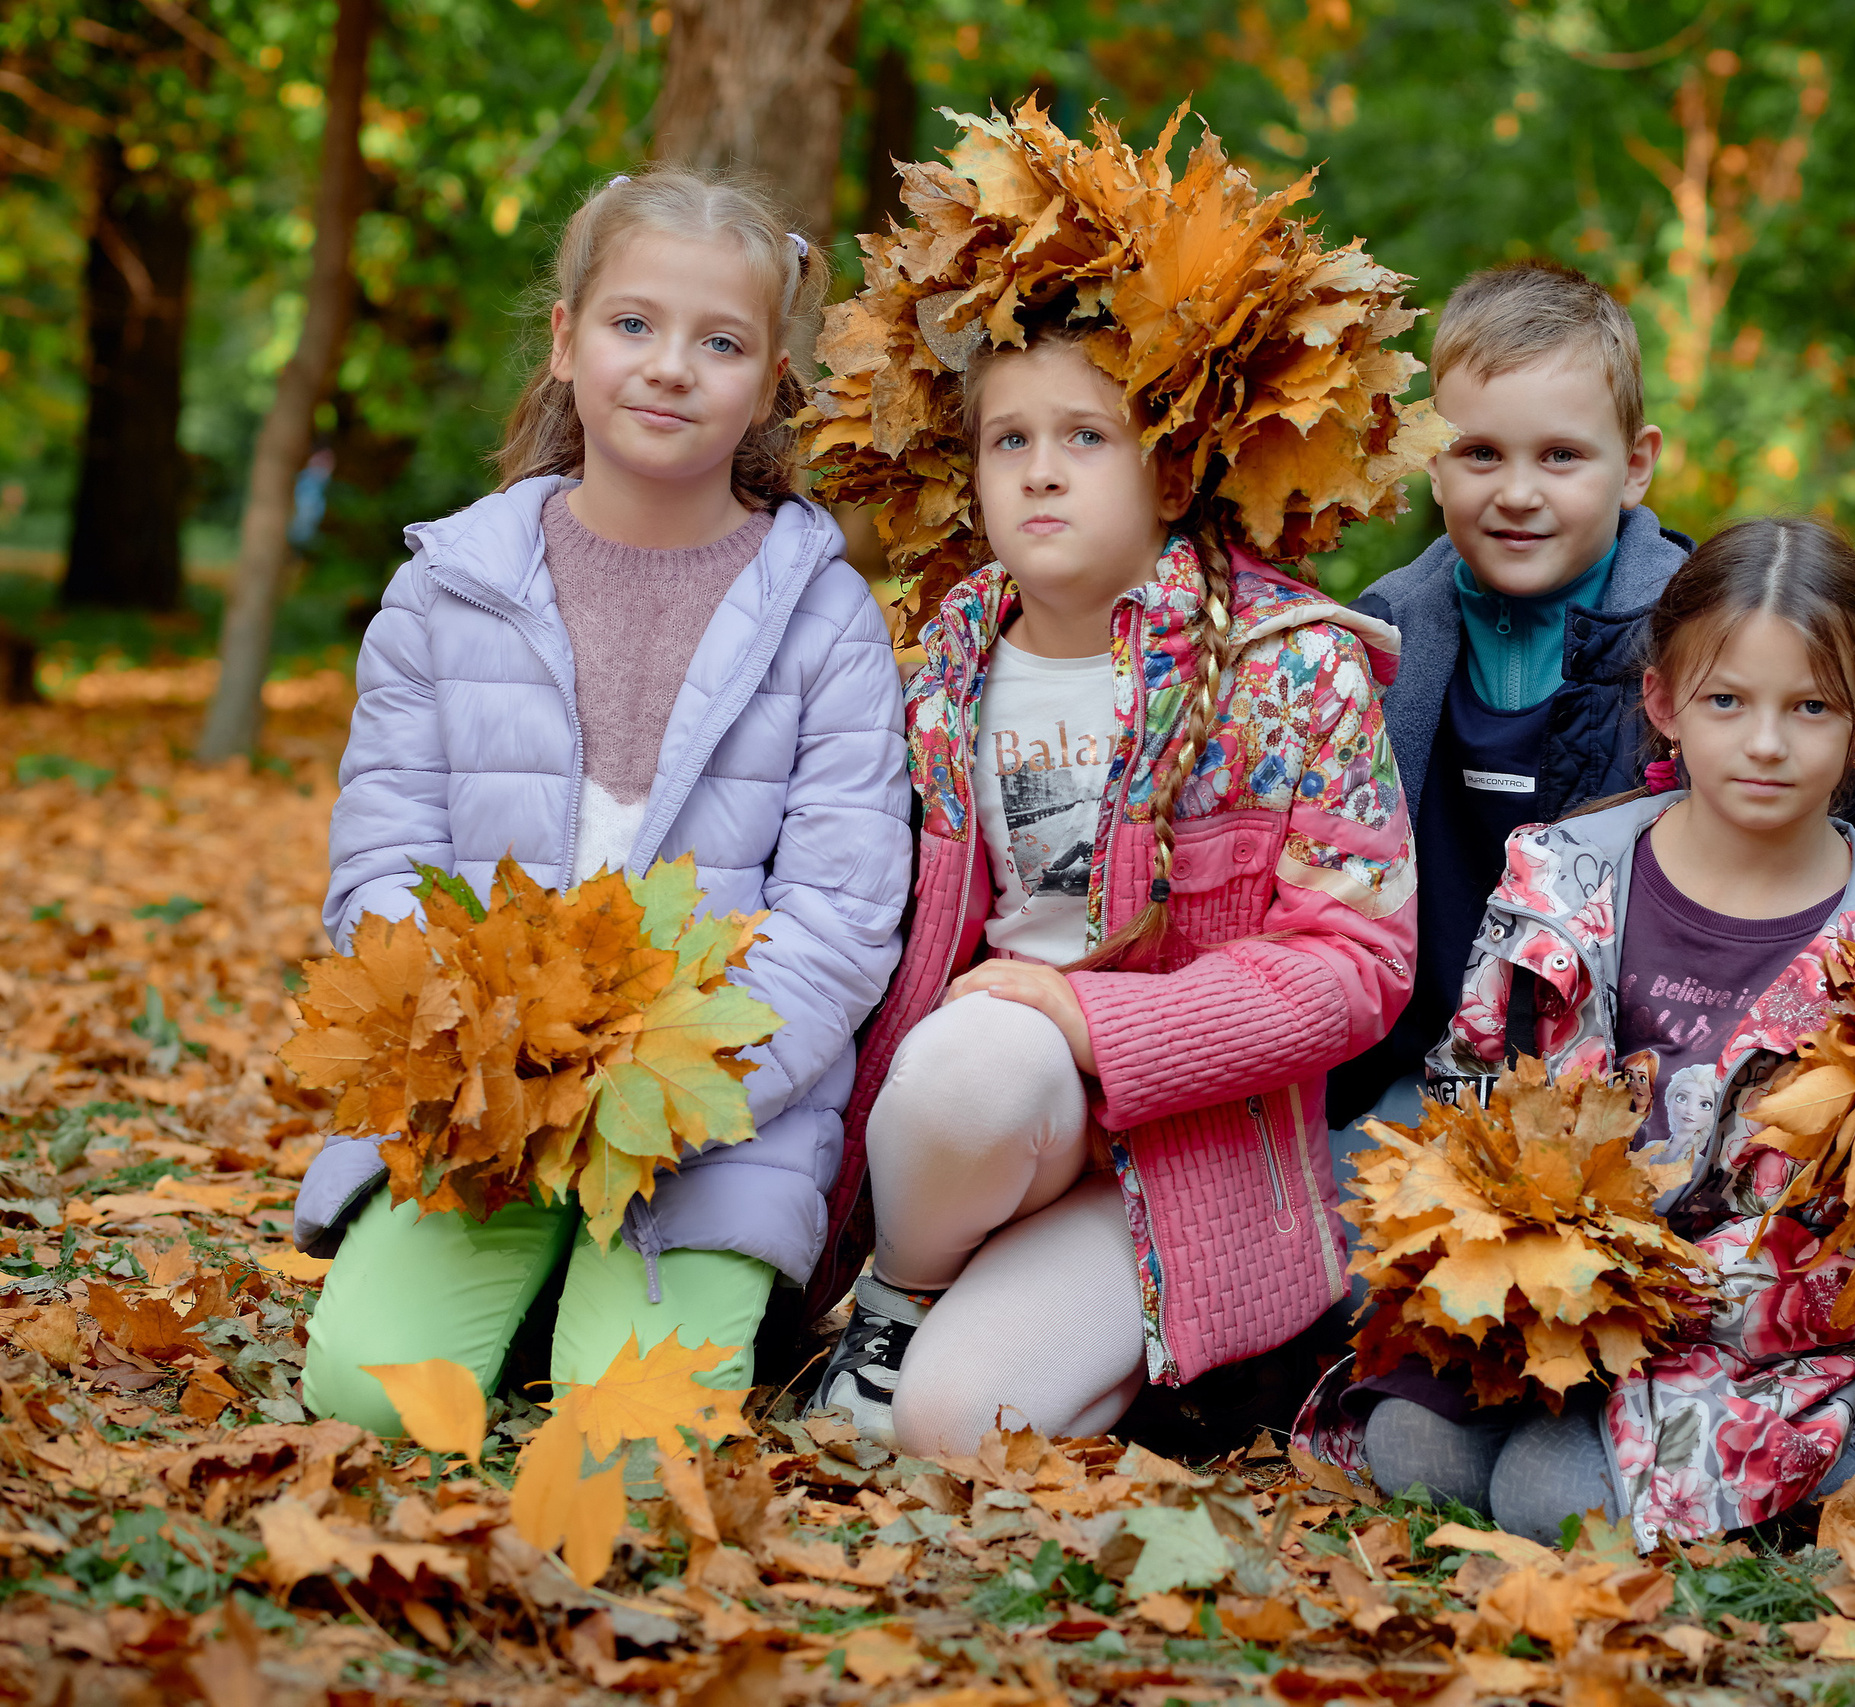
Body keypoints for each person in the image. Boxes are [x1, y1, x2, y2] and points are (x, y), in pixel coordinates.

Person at [796, 104, 1432, 1454]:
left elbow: (1357, 962)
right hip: (974, 1113)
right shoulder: (948, 654)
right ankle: (901, 1294)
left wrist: (1092, 1025)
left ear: (1172, 457)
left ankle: (1134, 1329)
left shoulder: (1287, 663)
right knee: (978, 1054)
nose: (1039, 471)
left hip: (1177, 1146)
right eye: (1007, 439)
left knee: (959, 1431)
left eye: (1085, 436)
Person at [1297, 517, 1855, 1544]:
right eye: (1726, 701)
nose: (1764, 743)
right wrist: (1524, 1269)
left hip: (1748, 1326)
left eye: (1809, 707)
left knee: (1548, 1506)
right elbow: (1472, 1093)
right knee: (1413, 1457)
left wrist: (1654, 1300)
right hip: (1551, 1302)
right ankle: (1746, 1434)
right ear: (1664, 703)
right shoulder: (1559, 877)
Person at [290, 167, 909, 1433]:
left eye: (720, 341)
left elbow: (840, 920)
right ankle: (520, 1277)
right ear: (567, 343)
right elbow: (383, 870)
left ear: (771, 385)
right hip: (484, 1102)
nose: (670, 366)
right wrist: (495, 1053)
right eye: (633, 324)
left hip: (705, 1121)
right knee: (368, 1398)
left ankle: (662, 1301)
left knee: (628, 1435)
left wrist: (662, 1087)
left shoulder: (827, 617)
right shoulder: (444, 592)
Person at [1326, 260, 1855, 1157]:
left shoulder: (1697, 635)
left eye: (1563, 455)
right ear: (1432, 462)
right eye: (1480, 453)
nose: (1519, 491)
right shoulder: (1376, 640)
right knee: (1350, 1277)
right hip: (1418, 1066)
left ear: (1636, 465)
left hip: (1623, 1078)